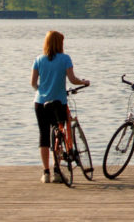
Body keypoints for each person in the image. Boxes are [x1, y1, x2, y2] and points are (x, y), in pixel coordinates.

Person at [31, 30, 89, 184]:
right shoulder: (65, 59)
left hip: (40, 103)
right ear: (59, 44)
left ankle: (46, 173)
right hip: (59, 103)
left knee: (44, 136)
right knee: (60, 133)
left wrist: (42, 90)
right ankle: (57, 170)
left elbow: (33, 83)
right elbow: (72, 79)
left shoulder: (38, 60)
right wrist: (84, 82)